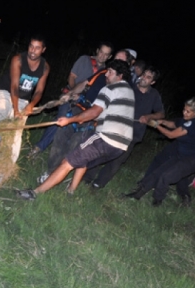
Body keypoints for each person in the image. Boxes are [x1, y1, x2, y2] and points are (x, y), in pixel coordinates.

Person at [16, 59, 134, 200]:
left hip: (107, 138)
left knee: (68, 162)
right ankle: (70, 192)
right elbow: (105, 115)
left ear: (119, 76)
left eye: (110, 72)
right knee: (82, 158)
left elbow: (94, 113)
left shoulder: (110, 89)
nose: (106, 75)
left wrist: (69, 120)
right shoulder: (129, 92)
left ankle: (35, 193)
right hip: (120, 146)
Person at [37, 50, 130, 183]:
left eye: (121, 61)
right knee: (60, 137)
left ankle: (60, 176)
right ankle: (50, 171)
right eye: (116, 59)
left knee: (74, 145)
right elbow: (85, 83)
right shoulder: (103, 73)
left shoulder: (123, 87)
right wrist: (70, 94)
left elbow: (102, 112)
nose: (116, 63)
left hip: (92, 120)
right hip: (79, 109)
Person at [84, 66, 165, 189]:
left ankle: (98, 184)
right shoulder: (128, 88)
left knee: (117, 160)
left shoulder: (154, 95)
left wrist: (149, 116)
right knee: (100, 153)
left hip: (133, 134)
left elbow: (161, 114)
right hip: (115, 127)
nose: (143, 78)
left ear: (153, 82)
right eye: (143, 74)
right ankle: (87, 178)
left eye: (148, 77)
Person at [28, 42, 113, 158]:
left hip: (84, 104)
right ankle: (38, 148)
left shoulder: (107, 73)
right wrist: (73, 93)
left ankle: (59, 154)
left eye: (106, 54)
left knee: (74, 127)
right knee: (61, 119)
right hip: (70, 95)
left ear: (109, 57)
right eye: (101, 52)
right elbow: (71, 77)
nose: (102, 56)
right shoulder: (84, 60)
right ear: (97, 50)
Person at [122, 97, 195, 207]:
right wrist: (162, 121)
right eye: (184, 109)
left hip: (192, 160)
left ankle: (157, 201)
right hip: (181, 156)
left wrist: (156, 125)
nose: (184, 112)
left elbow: (171, 135)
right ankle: (137, 194)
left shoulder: (193, 124)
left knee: (166, 176)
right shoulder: (190, 120)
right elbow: (174, 124)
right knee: (157, 172)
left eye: (188, 111)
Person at [0, 35, 50, 125]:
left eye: (37, 48)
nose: (33, 50)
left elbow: (39, 91)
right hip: (6, 92)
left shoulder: (45, 67)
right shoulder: (18, 60)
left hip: (23, 99)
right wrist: (16, 110)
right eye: (31, 46)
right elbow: (14, 87)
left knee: (16, 130)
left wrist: (31, 105)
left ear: (43, 50)